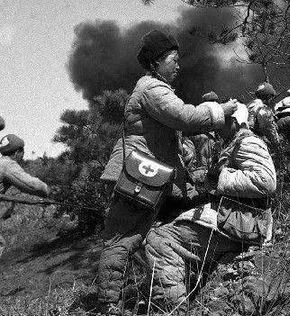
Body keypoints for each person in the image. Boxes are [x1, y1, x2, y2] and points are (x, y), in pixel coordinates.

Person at [97, 30, 237, 315]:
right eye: (173, 59)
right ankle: (109, 304)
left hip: (152, 176)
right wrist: (220, 110)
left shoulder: (153, 88)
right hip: (141, 176)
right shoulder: (152, 89)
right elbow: (184, 118)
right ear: (156, 62)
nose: (178, 65)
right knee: (123, 238)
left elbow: (165, 135)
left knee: (168, 230)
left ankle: (165, 289)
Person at [144, 103, 276, 312]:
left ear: (234, 122)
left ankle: (174, 309)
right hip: (236, 218)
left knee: (158, 240)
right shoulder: (234, 142)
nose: (215, 128)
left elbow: (265, 182)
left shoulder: (249, 142)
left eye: (221, 122)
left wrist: (219, 177)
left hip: (242, 222)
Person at [0, 134, 50, 257]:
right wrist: (47, 190)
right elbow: (31, 185)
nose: (23, 156)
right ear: (17, 152)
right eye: (22, 152)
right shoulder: (7, 165)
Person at [247, 82, 281, 160]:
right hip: (254, 145)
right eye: (272, 96)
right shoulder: (263, 109)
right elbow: (270, 131)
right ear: (268, 96)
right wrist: (278, 146)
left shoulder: (249, 105)